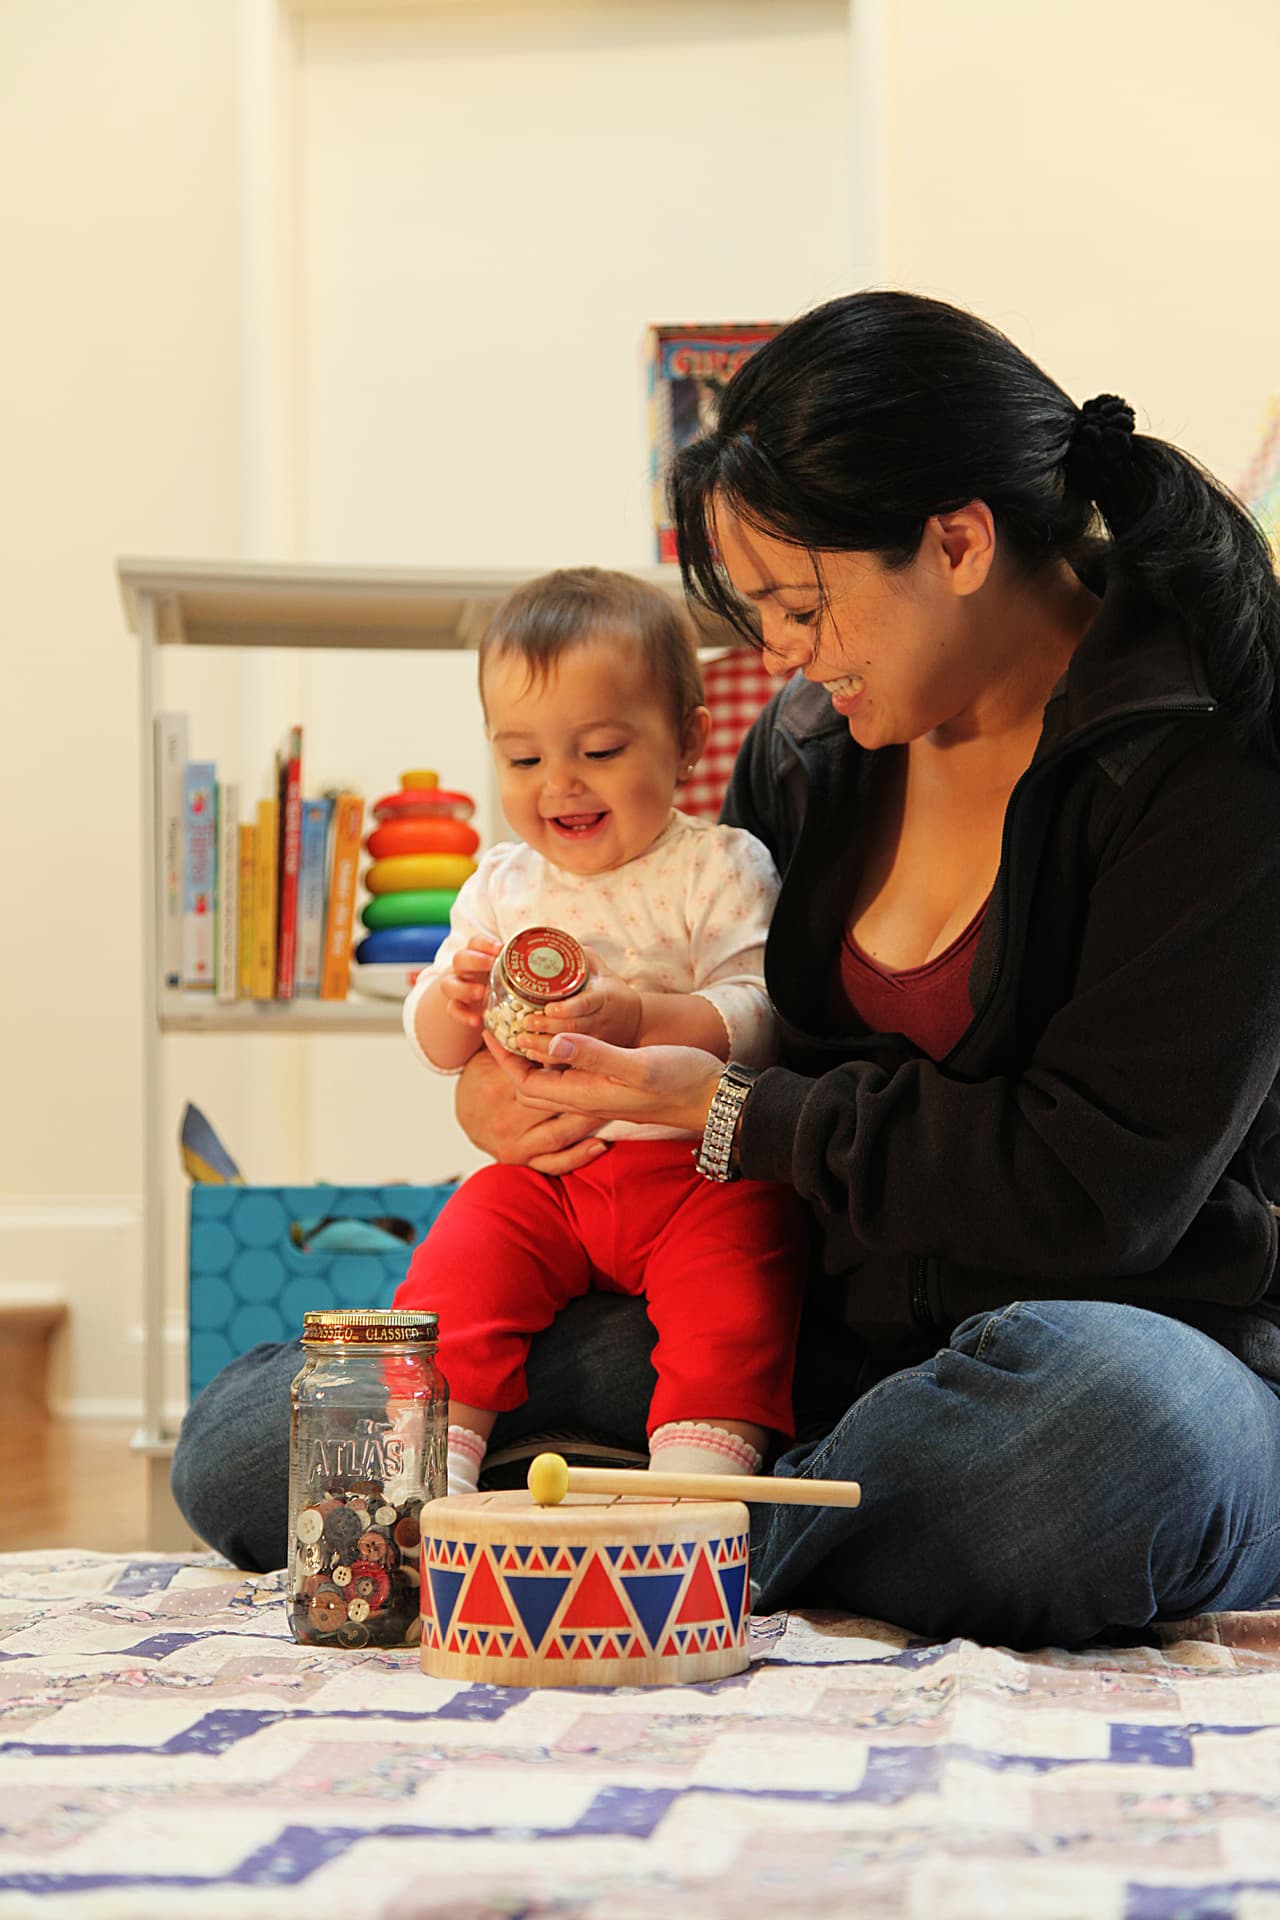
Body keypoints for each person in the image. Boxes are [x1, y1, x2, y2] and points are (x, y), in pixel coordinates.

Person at [172, 289, 1280, 1653]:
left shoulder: (1208, 758)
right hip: (807, 1328)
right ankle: (706, 1512)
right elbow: (709, 1022)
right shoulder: (816, 751)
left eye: (801, 605)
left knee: (1097, 1449)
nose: (780, 658)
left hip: (1130, 1341)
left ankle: (623, 1531)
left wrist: (730, 1112)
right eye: (756, 613)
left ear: (959, 540)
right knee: (247, 1443)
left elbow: (1098, 1190)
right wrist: (516, 1093)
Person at [393, 566, 807, 1493]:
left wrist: (644, 1017)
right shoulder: (502, 885)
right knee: (458, 1261)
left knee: (742, 1283)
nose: (562, 786)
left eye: (603, 750)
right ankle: (432, 1476)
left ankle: (700, 1478)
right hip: (551, 1181)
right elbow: (433, 1046)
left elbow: (760, 1016)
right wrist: (448, 1003)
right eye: (524, 759)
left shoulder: (720, 867)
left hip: (698, 1171)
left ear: (688, 740)